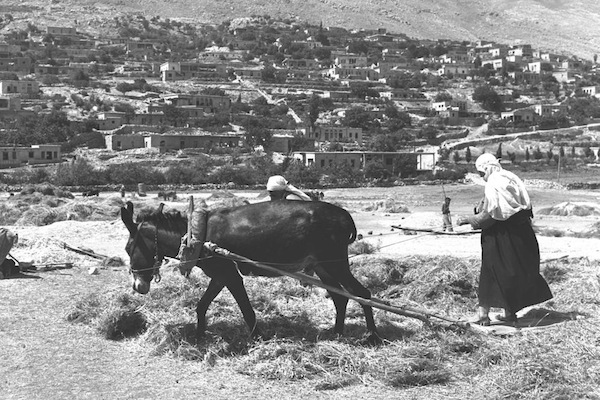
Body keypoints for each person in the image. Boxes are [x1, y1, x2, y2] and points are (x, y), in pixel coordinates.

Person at [456, 153, 553, 326]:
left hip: (500, 237)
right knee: (511, 273)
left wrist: (468, 219)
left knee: (490, 273)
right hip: (521, 234)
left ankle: (482, 315)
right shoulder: (511, 177)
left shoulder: (494, 181)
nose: (482, 177)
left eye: (481, 173)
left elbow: (490, 217)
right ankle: (509, 313)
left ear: (487, 168)